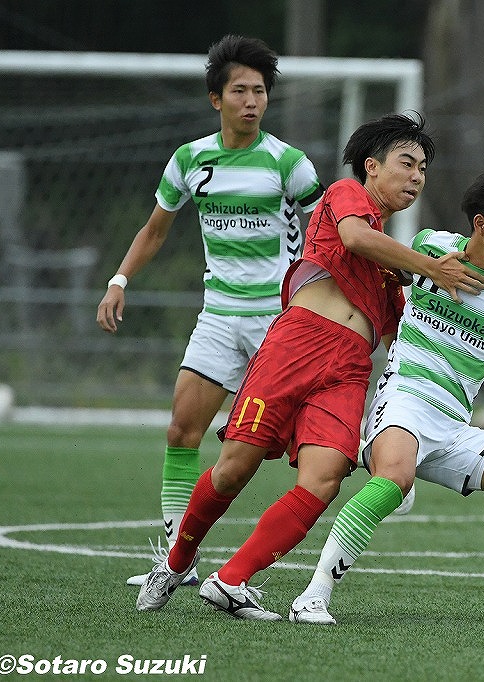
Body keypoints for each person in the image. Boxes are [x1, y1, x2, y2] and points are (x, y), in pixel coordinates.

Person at [135, 112, 484, 618]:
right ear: (372, 166)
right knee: (235, 468)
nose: (417, 177)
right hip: (296, 345)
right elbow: (354, 239)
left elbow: (400, 339)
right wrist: (432, 266)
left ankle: (231, 580)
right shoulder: (348, 195)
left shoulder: (395, 265)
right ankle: (173, 565)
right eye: (407, 164)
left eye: (424, 169)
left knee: (324, 480)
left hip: (349, 370)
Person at [288, 169, 484, 626]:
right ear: (481, 224)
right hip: (403, 399)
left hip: (454, 427)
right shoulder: (430, 247)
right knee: (395, 479)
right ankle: (312, 596)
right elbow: (371, 261)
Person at [96, 34, 324, 587]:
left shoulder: (288, 165)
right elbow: (155, 230)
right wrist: (119, 279)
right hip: (219, 317)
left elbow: (327, 237)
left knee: (299, 446)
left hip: (279, 322)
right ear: (215, 98)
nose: (252, 100)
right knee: (181, 432)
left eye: (261, 91)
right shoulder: (189, 160)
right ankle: (177, 557)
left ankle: (388, 459)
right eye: (241, 90)